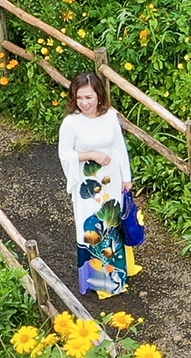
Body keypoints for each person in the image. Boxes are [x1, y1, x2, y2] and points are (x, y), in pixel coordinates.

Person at [58, 69, 137, 298]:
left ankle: (118, 275)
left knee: (112, 223)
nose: (84, 102)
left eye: (88, 97)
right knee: (92, 227)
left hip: (111, 182)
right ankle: (99, 280)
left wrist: (126, 177)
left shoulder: (110, 116)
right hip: (88, 185)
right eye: (79, 97)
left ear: (99, 96)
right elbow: (65, 155)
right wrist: (91, 154)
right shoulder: (71, 123)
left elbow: (119, 147)